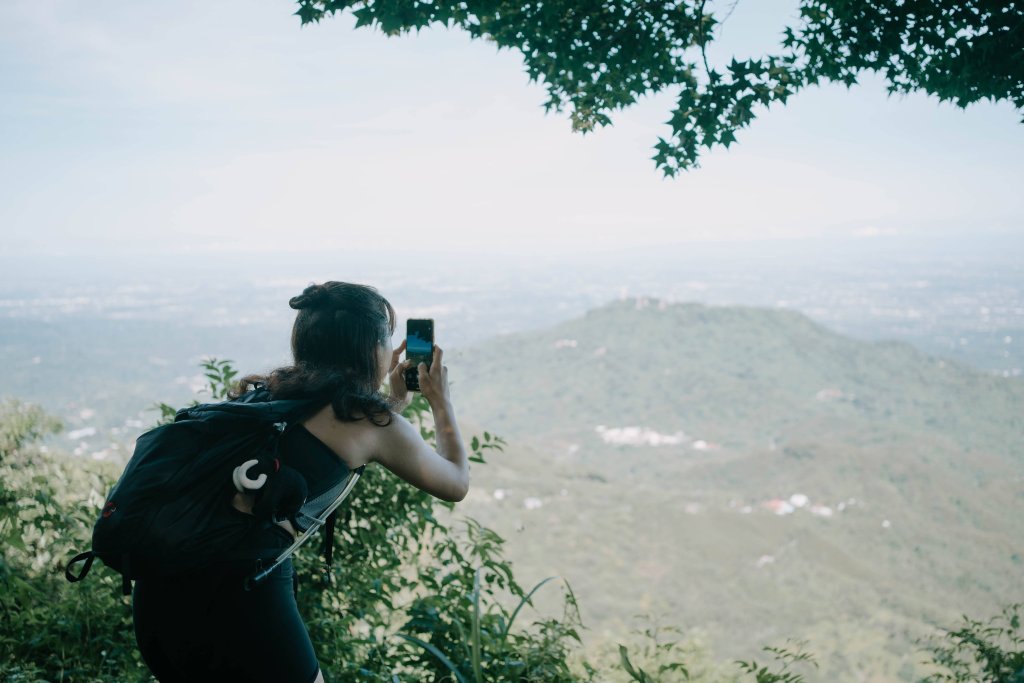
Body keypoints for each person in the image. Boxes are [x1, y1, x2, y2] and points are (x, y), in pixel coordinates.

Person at [131, 281, 469, 682]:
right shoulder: (370, 424)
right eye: (387, 340)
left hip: (158, 598)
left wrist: (390, 404)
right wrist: (440, 401)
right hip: (239, 598)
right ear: (372, 349)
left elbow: (327, 439)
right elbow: (455, 482)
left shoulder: (264, 397)